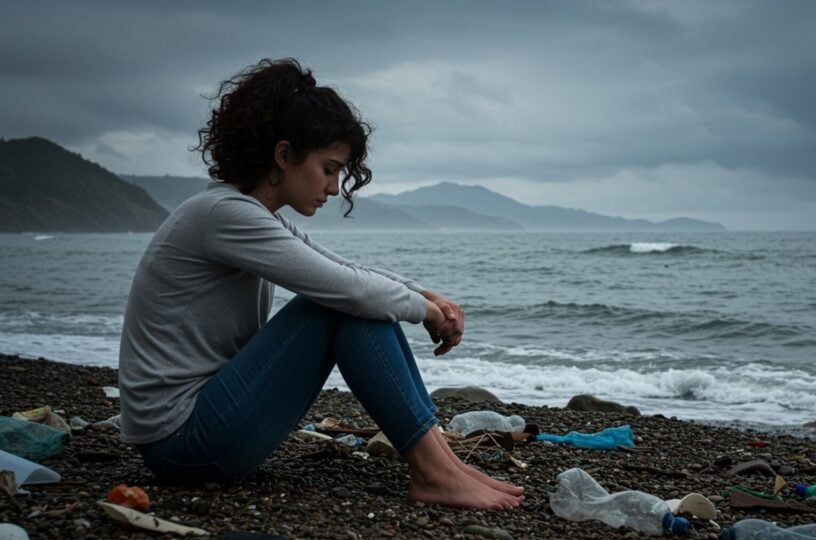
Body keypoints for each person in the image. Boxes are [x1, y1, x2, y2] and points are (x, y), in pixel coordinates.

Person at [117, 58, 524, 510]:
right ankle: (434, 471)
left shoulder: (249, 215)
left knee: (357, 300)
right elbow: (347, 289)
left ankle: (442, 462)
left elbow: (343, 270)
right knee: (343, 306)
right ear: (284, 155)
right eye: (329, 169)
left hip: (207, 430)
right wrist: (426, 313)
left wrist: (428, 296)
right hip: (184, 444)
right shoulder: (223, 215)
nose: (334, 188)